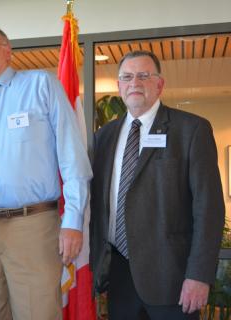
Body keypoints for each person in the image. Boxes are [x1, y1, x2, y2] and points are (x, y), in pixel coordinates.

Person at [0, 23, 92, 320]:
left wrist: (74, 221)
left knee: (37, 314)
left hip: (32, 225)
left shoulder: (41, 85)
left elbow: (73, 156)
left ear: (8, 50)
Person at [90, 50, 225, 319]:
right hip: (118, 276)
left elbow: (209, 209)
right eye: (127, 77)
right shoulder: (103, 137)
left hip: (173, 279)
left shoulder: (191, 130)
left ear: (159, 84)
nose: (134, 83)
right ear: (119, 86)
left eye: (144, 75)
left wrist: (199, 275)